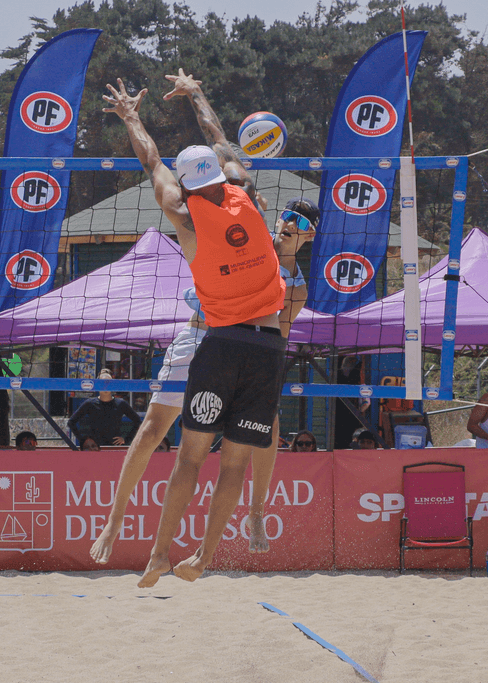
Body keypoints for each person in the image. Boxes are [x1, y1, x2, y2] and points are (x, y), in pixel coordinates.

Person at [90, 74, 318, 566]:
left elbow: (154, 161)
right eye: (290, 221)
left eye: (301, 227)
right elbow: (219, 138)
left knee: (259, 430)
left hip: (235, 338)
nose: (291, 226)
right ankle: (115, 520)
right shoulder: (248, 195)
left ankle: (253, 514)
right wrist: (195, 92)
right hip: (205, 334)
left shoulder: (186, 211)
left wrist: (132, 116)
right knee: (153, 431)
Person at [66, 369, 143, 446]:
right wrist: (83, 441)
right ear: (97, 384)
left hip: (114, 449)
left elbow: (138, 421)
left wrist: (126, 440)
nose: (105, 386)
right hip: (95, 449)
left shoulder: (121, 404)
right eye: (102, 383)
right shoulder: (89, 403)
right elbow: (71, 422)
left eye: (108, 383)